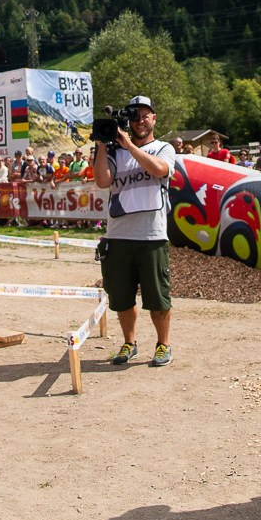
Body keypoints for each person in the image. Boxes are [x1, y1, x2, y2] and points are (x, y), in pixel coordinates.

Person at [92, 96, 176, 367]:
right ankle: (130, 342)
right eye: (135, 116)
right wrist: (102, 147)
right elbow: (103, 181)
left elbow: (159, 169)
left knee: (158, 297)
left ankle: (163, 345)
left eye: (145, 115)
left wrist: (128, 144)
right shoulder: (116, 152)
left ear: (154, 118)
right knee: (122, 296)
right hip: (118, 234)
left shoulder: (164, 148)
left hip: (151, 234)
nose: (141, 120)